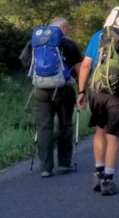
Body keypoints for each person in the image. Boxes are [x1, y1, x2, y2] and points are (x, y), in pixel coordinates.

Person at [76, 6, 119, 195]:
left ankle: (98, 172)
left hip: (97, 91)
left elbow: (86, 65)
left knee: (100, 130)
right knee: (113, 137)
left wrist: (81, 91)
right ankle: (108, 178)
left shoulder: (98, 36)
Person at [17, 16, 85, 177]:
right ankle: (64, 163)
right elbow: (80, 68)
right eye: (66, 28)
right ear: (63, 28)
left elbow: (25, 61)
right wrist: (83, 90)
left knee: (44, 128)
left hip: (40, 89)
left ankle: (46, 168)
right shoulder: (68, 43)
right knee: (65, 125)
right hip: (63, 89)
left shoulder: (35, 42)